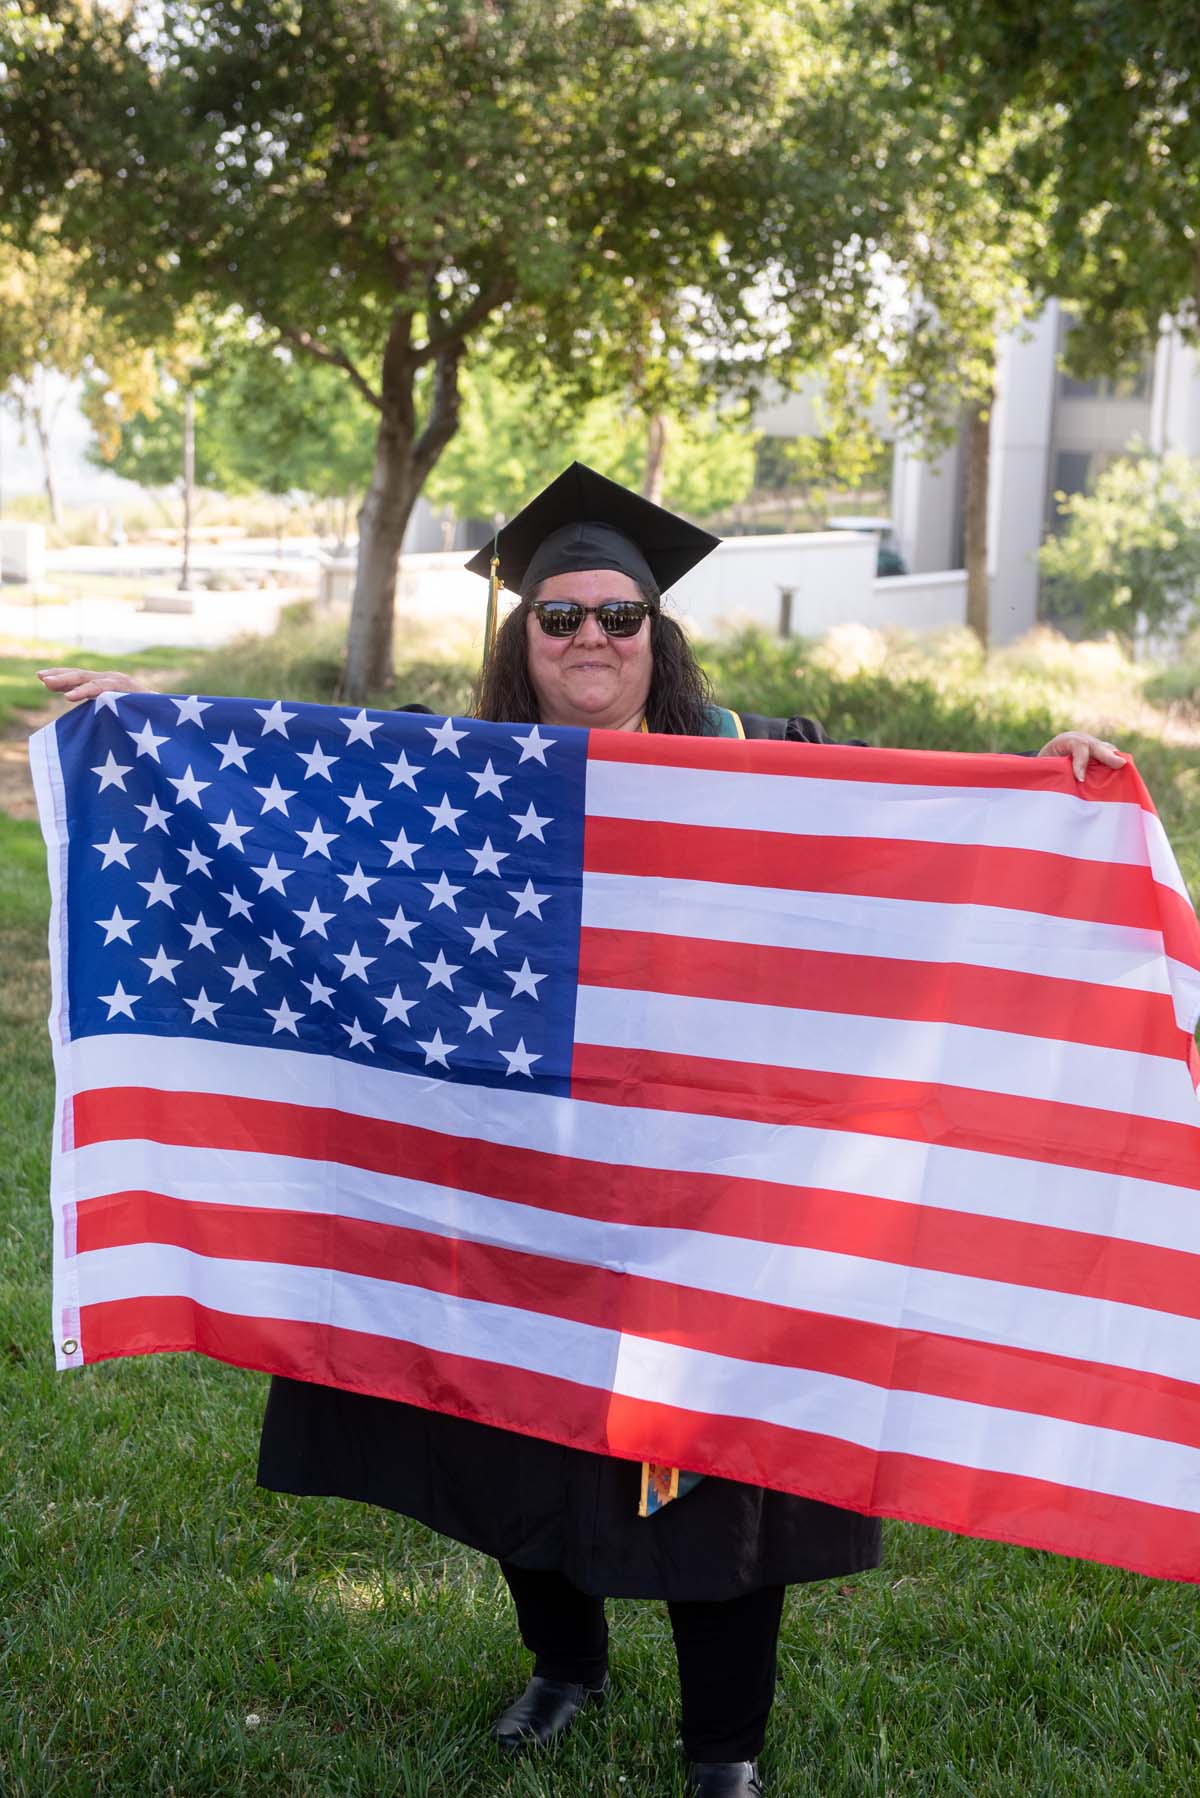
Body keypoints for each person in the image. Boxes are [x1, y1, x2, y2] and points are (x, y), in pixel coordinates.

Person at [39, 463, 1126, 1797]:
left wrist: (1050, 787)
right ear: (523, 636)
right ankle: (566, 1662)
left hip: (717, 1186)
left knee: (721, 1450)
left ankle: (723, 1747)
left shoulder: (763, 760)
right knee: (516, 1423)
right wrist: (144, 731)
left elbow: (919, 838)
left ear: (658, 631)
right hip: (526, 1173)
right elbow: (292, 801)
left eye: (621, 615)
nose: (592, 639)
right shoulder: (455, 780)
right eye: (560, 617)